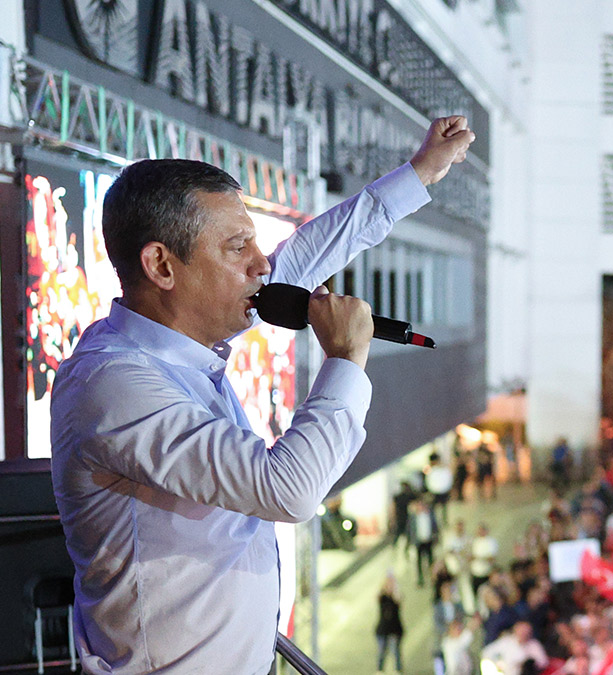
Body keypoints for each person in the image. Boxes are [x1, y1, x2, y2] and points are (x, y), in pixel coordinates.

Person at [50, 117, 475, 674]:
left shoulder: (182, 340)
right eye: (237, 247)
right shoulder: (113, 385)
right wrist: (346, 360)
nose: (263, 264)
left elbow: (302, 257)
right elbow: (289, 490)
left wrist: (421, 172)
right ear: (161, 266)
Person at [480, 621, 549, 675]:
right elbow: (486, 652)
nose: (524, 633)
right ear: (515, 630)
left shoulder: (534, 645)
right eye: (521, 630)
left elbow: (543, 662)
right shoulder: (505, 642)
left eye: (526, 631)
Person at [375, 574, 404, 674]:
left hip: (394, 629)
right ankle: (380, 670)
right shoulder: (382, 597)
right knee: (381, 652)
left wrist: (395, 588)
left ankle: (398, 670)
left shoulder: (396, 596)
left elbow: (399, 599)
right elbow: (377, 596)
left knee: (395, 652)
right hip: (383, 629)